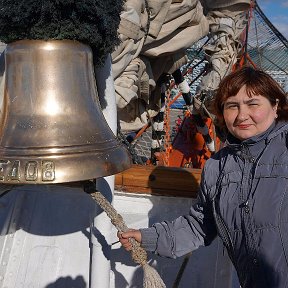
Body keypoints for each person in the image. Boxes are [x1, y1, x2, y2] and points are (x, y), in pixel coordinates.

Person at [117, 66, 288, 288]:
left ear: (275, 106)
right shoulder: (217, 167)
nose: (242, 115)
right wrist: (148, 237)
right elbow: (199, 225)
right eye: (232, 106)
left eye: (253, 104)